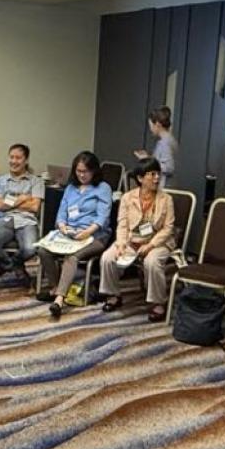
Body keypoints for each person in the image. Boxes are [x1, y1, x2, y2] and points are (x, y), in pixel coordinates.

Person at [37, 150, 112, 321]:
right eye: (78, 171)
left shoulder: (103, 188)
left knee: (72, 257)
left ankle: (59, 299)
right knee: (43, 251)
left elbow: (103, 217)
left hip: (95, 235)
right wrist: (62, 226)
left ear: (94, 171)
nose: (82, 175)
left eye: (85, 171)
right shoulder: (71, 188)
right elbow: (62, 212)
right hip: (70, 232)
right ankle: (56, 287)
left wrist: (87, 232)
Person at [98, 158, 176, 321]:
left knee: (152, 262)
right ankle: (113, 295)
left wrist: (150, 245)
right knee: (107, 258)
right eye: (152, 174)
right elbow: (122, 224)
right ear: (140, 178)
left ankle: (158, 303)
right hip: (132, 240)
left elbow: (168, 228)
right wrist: (120, 244)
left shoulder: (166, 199)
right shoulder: (127, 198)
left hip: (158, 242)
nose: (156, 178)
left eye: (158, 174)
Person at [0, 144, 44, 279]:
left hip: (27, 221)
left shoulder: (36, 181)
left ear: (26, 160)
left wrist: (8, 202)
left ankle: (10, 264)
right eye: (11, 157)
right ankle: (16, 266)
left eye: (18, 158)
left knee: (30, 249)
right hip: (5, 219)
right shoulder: (0, 182)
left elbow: (35, 207)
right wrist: (22, 199)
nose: (14, 161)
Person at [132, 106, 176, 187]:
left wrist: (148, 160)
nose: (150, 129)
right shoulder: (167, 140)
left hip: (163, 187)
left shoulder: (165, 143)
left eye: (151, 125)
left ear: (157, 124)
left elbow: (169, 168)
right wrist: (148, 158)